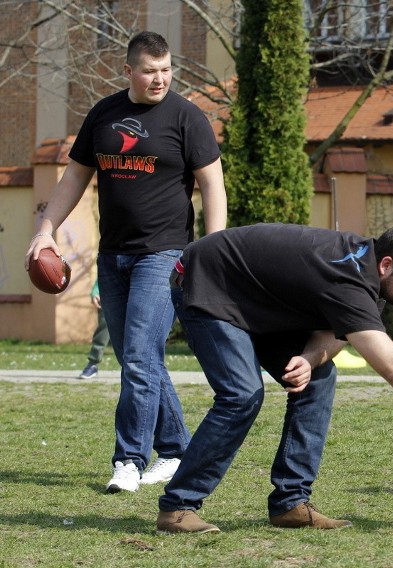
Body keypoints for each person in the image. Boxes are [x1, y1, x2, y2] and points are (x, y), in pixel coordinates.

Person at [155, 223, 393, 535]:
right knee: (242, 394)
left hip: (256, 300)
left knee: (318, 376)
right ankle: (178, 508)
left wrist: (308, 358)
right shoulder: (350, 279)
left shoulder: (370, 277)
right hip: (208, 280)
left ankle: (290, 503)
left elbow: (338, 331)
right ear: (387, 265)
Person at [25, 31, 227, 493]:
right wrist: (44, 232)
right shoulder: (105, 113)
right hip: (114, 255)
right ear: (128, 71)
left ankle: (130, 460)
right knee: (137, 357)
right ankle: (175, 449)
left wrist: (211, 251)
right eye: (150, 71)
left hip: (166, 253)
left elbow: (213, 186)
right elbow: (74, 178)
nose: (160, 79)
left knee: (138, 353)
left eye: (166, 70)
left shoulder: (187, 117)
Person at [79, 280, 110, 379]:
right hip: (111, 290)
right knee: (104, 327)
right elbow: (104, 270)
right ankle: (93, 363)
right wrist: (95, 291)